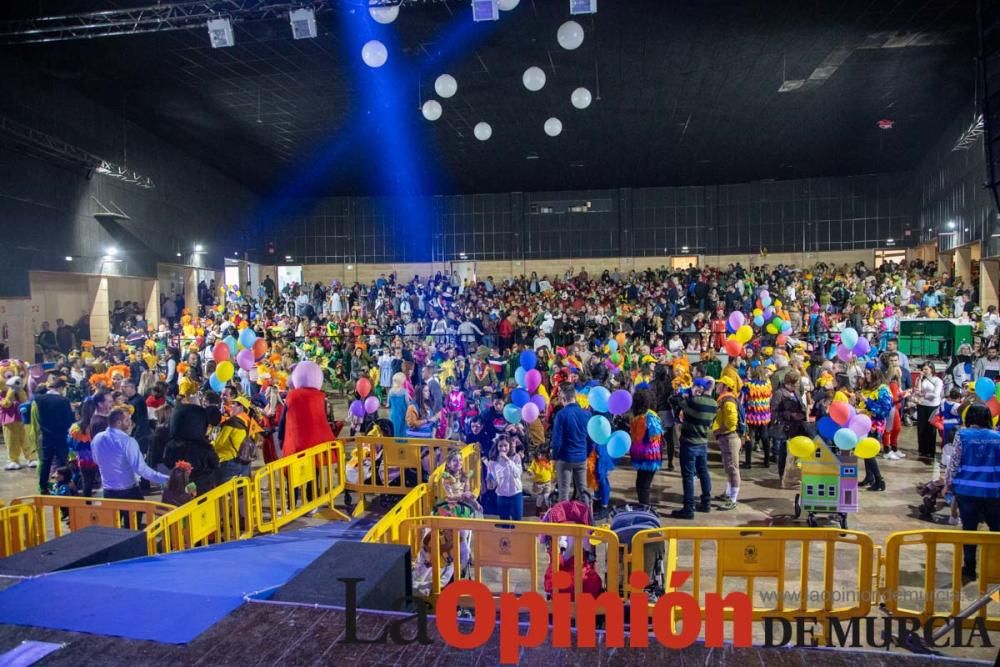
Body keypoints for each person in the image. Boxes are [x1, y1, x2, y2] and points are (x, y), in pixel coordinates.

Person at [944, 404, 1000, 581]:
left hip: (966, 491)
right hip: (993, 491)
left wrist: (948, 483)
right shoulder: (997, 437)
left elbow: (954, 462)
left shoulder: (963, 435)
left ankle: (969, 568)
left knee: (969, 529)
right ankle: (994, 567)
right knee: (996, 529)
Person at [91, 408, 169, 500]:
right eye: (127, 420)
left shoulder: (98, 438)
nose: (131, 423)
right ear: (119, 423)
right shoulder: (127, 441)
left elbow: (96, 460)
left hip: (108, 491)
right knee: (137, 513)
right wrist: (167, 479)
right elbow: (142, 469)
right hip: (128, 491)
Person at [671, 377, 716, 519]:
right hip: (702, 441)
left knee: (688, 476)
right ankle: (706, 502)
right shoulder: (714, 404)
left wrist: (688, 393)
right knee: (703, 472)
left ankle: (688, 508)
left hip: (689, 442)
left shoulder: (694, 401)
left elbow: (675, 401)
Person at [31, 378, 75, 494]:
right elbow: (69, 420)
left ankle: (43, 487)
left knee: (46, 462)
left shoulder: (39, 399)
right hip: (61, 436)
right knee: (62, 462)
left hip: (46, 436)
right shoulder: (63, 400)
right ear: (61, 388)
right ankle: (63, 486)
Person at [551, 382, 593, 502]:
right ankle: (586, 518)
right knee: (583, 491)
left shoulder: (561, 415)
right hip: (581, 457)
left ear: (563, 398)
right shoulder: (587, 414)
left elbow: (557, 440)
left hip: (565, 458)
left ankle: (562, 519)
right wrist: (586, 453)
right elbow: (591, 439)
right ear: (575, 397)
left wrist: (554, 457)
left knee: (563, 493)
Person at [770, 369, 807, 482]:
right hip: (784, 428)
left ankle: (794, 474)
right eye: (795, 384)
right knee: (783, 452)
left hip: (796, 426)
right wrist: (791, 415)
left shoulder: (795, 392)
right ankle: (782, 475)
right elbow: (774, 412)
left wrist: (803, 412)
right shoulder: (779, 393)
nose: (797, 386)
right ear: (788, 383)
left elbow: (801, 404)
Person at [629, 389, 663, 506]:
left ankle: (645, 508)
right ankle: (643, 506)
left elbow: (655, 435)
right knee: (641, 484)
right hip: (644, 456)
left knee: (643, 485)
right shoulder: (639, 417)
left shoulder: (650, 417)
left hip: (648, 457)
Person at [713, 376, 742, 510]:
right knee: (729, 467)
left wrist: (719, 430)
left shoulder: (728, 402)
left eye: (720, 384)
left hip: (729, 438)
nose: (717, 386)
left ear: (726, 387)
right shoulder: (723, 400)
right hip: (726, 437)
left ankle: (733, 499)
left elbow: (731, 423)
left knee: (733, 468)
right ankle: (728, 493)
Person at [486, 436, 524, 520]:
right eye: (500, 446)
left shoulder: (516, 457)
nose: (503, 448)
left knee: (517, 520)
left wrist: (507, 460)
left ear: (509, 446)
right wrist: (490, 484)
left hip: (515, 493)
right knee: (504, 521)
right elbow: (493, 480)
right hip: (502, 494)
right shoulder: (492, 462)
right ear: (497, 446)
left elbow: (517, 474)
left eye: (505, 445)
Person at [915, 362, 943, 462]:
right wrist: (919, 381)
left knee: (931, 429)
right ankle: (922, 449)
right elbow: (917, 390)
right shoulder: (920, 379)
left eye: (926, 369)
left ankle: (930, 451)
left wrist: (923, 394)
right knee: (921, 427)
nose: (924, 371)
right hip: (922, 405)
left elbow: (936, 394)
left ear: (931, 369)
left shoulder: (937, 380)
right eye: (923, 369)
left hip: (933, 406)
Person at [527, 442, 555, 515]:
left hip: (547, 483)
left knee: (546, 496)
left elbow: (552, 471)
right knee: (540, 497)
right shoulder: (535, 462)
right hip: (538, 483)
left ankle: (548, 509)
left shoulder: (550, 462)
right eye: (540, 454)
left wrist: (554, 477)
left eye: (544, 455)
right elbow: (531, 468)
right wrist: (530, 472)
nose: (542, 457)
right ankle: (538, 509)